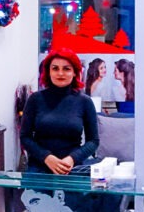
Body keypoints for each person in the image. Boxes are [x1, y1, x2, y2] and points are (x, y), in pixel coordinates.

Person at [19, 47, 99, 175]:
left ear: (75, 72)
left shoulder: (85, 101)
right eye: (55, 68)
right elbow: (25, 137)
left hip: (72, 167)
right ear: (48, 72)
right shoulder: (35, 99)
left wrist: (72, 159)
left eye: (66, 69)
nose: (60, 73)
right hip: (39, 167)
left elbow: (93, 141)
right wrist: (47, 157)